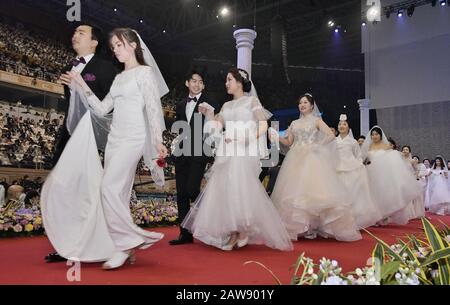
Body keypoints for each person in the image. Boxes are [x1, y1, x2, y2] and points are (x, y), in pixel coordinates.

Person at [42, 28, 169, 269]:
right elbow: (102, 109)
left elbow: (153, 109)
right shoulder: (119, 78)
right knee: (117, 193)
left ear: (132, 44)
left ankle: (125, 243)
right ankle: (122, 247)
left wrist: (158, 140)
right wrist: (82, 86)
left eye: (119, 45)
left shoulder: (145, 73)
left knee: (108, 187)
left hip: (133, 138)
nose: (116, 50)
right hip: (114, 140)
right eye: (113, 47)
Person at [181, 68, 293, 251]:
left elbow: (263, 124)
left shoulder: (252, 101)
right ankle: (234, 231)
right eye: (226, 80)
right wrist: (209, 115)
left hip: (243, 148)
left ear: (240, 82)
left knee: (240, 188)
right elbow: (218, 125)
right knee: (225, 189)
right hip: (228, 150)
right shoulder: (226, 106)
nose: (226, 83)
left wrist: (248, 138)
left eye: (229, 79)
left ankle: (242, 229)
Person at [270, 94, 361, 242]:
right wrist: (276, 137)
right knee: (296, 192)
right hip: (295, 158)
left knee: (313, 192)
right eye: (300, 103)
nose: (302, 105)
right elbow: (288, 142)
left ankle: (314, 226)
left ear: (312, 105)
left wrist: (318, 145)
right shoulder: (294, 123)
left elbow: (331, 135)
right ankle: (302, 227)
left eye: (305, 102)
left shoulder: (317, 121)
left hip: (312, 158)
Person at [52, 22, 117, 165]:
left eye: (81, 33)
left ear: (94, 42)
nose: (75, 35)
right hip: (68, 129)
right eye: (75, 32)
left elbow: (111, 105)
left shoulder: (105, 67)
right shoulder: (68, 68)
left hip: (91, 131)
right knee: (59, 167)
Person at [169, 70, 219, 246]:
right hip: (182, 154)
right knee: (181, 193)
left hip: (199, 153)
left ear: (203, 85)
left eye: (200, 82)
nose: (196, 84)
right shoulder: (181, 104)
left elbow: (213, 127)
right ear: (187, 83)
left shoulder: (209, 103)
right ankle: (185, 233)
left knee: (192, 190)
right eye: (193, 81)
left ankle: (210, 218)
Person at [361, 126, 421, 225]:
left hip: (382, 174)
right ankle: (374, 217)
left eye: (376, 134)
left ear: (380, 135)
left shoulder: (386, 146)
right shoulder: (368, 146)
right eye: (372, 135)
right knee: (371, 195)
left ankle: (383, 216)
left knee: (382, 195)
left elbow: (393, 160)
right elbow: (364, 159)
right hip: (370, 173)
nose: (374, 136)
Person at [335, 115, 382, 228]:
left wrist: (358, 166)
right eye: (340, 124)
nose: (342, 126)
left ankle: (353, 220)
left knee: (352, 194)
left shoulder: (353, 142)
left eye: (344, 124)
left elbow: (358, 156)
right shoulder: (333, 141)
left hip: (351, 169)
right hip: (336, 168)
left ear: (349, 128)